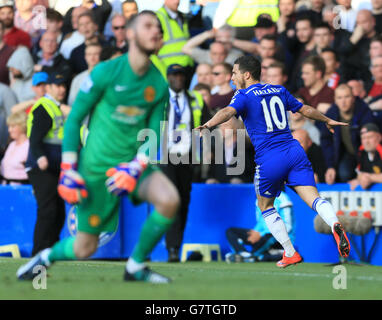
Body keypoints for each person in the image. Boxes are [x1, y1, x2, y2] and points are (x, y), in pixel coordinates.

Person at [17, 11, 180, 284]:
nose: (156, 32)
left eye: (159, 29)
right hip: (96, 169)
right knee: (85, 248)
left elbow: (154, 134)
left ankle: (136, 266)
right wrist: (68, 168)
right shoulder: (105, 72)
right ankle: (44, 258)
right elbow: (74, 121)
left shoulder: (158, 84)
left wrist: (137, 165)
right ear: (129, 34)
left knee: (169, 200)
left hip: (131, 166)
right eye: (148, 26)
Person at [197, 55, 351, 268]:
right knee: (314, 198)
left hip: (270, 157)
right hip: (294, 151)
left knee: (265, 205)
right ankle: (335, 223)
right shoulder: (278, 89)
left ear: (247, 74)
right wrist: (326, 119)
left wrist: (208, 124)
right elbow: (304, 109)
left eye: (234, 73)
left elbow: (227, 112)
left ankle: (290, 252)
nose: (232, 77)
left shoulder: (243, 95)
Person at [161, 63, 210, 263]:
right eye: (174, 75)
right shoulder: (159, 99)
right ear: (168, 78)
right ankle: (172, 248)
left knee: (183, 202)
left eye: (181, 75)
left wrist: (207, 149)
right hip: (165, 156)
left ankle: (175, 245)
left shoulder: (196, 98)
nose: (178, 78)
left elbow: (208, 124)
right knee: (172, 200)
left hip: (188, 157)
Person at [23, 72, 67, 257]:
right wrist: (40, 157)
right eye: (58, 85)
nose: (62, 89)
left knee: (58, 212)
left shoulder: (55, 107)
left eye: (64, 85)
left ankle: (50, 253)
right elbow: (35, 137)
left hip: (53, 167)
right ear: (49, 88)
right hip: (41, 167)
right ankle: (39, 254)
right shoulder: (45, 107)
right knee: (48, 210)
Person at [321, 84, 376, 184]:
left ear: (353, 98)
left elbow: (372, 140)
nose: (343, 101)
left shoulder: (364, 111)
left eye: (347, 97)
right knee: (344, 174)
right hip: (347, 154)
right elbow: (326, 141)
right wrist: (331, 166)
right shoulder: (331, 115)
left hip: (366, 153)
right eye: (340, 98)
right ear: (335, 100)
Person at [225, 190, 294, 263]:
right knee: (231, 231)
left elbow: (287, 226)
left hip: (278, 239)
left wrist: (261, 234)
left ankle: (250, 256)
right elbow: (261, 221)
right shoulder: (259, 198)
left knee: (270, 236)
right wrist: (255, 232)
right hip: (262, 236)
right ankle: (244, 254)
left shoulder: (283, 198)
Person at [349, 123, 382, 190]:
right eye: (363, 138)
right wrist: (359, 180)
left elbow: (366, 177)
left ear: (379, 137)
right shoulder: (361, 152)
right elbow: (360, 174)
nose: (366, 141)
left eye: (370, 137)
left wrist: (370, 178)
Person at [0, 111, 29, 185]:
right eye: (9, 127)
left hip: (20, 189)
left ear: (22, 126)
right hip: (5, 187)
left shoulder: (28, 146)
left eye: (13, 127)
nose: (9, 130)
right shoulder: (11, 145)